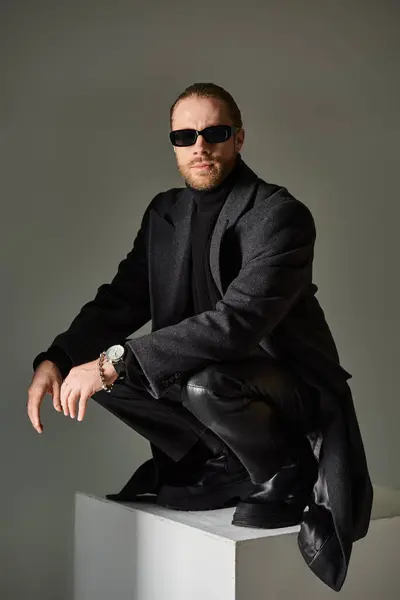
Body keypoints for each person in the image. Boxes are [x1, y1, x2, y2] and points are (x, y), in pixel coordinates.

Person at [27, 82, 373, 591]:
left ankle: (286, 466)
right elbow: (122, 298)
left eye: (215, 132)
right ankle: (223, 461)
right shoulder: (165, 212)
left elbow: (238, 324)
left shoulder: (279, 215)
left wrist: (112, 361)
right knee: (111, 373)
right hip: (210, 388)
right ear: (172, 142)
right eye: (185, 135)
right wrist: (57, 359)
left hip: (287, 394)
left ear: (239, 138)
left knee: (187, 379)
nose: (200, 146)